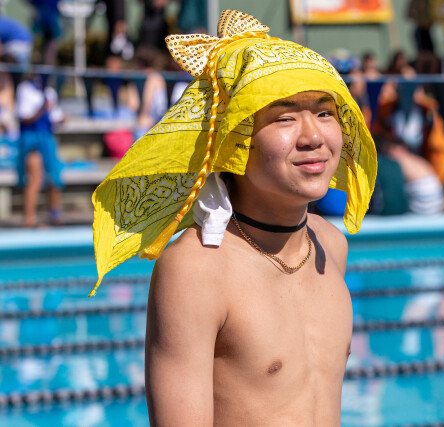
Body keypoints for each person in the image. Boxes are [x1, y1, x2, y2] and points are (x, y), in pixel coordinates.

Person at [90, 9, 377, 425]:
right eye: (284, 117)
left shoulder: (330, 245)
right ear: (234, 140)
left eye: (324, 112)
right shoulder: (196, 268)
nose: (314, 136)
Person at [15, 73, 65, 226]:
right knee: (34, 178)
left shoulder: (50, 92)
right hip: (31, 139)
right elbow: (25, 117)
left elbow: (54, 117)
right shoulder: (24, 89)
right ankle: (29, 218)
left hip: (47, 138)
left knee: (54, 177)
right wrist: (43, 108)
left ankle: (55, 215)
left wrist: (62, 118)